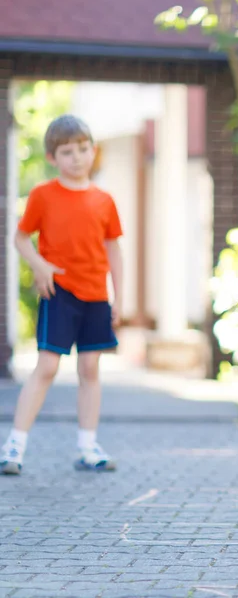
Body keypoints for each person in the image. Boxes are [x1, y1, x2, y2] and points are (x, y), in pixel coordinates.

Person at [0, 114, 124, 475]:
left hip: (97, 295)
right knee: (48, 366)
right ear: (53, 157)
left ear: (93, 150)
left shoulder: (104, 200)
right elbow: (21, 238)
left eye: (83, 149)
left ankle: (88, 447)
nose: (77, 157)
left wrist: (121, 296)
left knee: (90, 368)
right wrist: (39, 265)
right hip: (60, 292)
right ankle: (14, 447)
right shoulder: (42, 195)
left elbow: (114, 250)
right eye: (67, 151)